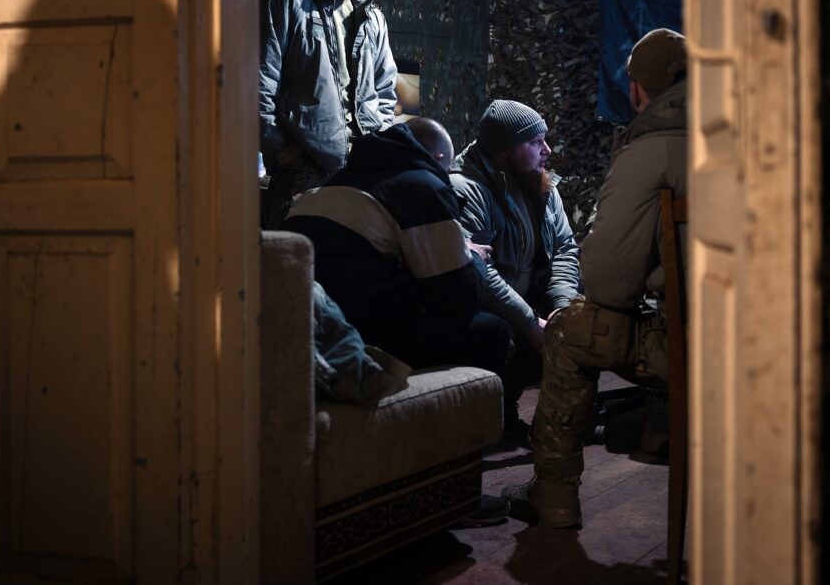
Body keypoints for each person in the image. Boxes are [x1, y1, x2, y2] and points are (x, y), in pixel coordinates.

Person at [501, 28, 689, 528]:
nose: (546, 150)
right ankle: (659, 433)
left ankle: (554, 495)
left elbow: (607, 283)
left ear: (637, 91)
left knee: (571, 332)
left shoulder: (649, 153)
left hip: (694, 348)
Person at [283, 118, 511, 376]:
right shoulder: (425, 185)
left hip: (304, 325)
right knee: (494, 331)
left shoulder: (330, 184)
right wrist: (474, 255)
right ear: (438, 159)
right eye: (446, 171)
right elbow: (460, 296)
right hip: (362, 334)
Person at [449, 100, 581, 435]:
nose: (546, 150)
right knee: (497, 331)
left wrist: (561, 305)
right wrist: (528, 322)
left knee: (578, 321)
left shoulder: (541, 185)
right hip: (491, 305)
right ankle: (499, 418)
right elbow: (481, 271)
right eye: (535, 142)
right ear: (505, 149)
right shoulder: (466, 190)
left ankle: (567, 424)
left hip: (532, 296)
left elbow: (564, 248)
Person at [259, 0, 398, 228]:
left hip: (360, 169)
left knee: (345, 256)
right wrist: (281, 152)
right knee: (295, 254)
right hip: (303, 167)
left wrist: (377, 145)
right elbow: (259, 81)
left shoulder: (371, 17)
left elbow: (386, 91)